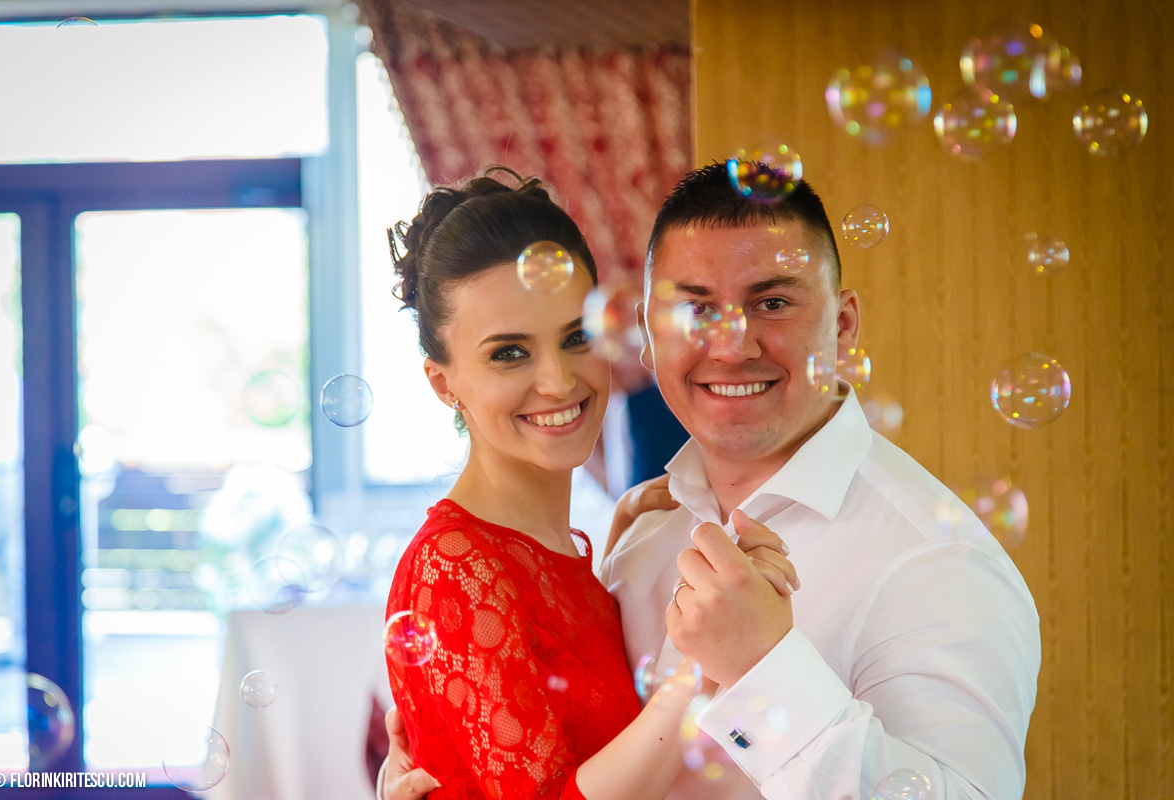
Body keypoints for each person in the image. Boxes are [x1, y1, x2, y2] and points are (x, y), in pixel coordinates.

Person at [380, 164, 1041, 799]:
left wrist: (762, 666)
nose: (731, 345)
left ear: (842, 325)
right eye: (694, 309)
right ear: (648, 334)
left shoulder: (935, 560)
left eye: (772, 303)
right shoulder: (643, 540)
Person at [381, 168, 800, 800]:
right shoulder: (455, 568)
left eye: (576, 338)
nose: (558, 382)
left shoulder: (561, 549)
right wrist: (702, 663)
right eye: (508, 353)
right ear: (444, 384)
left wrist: (617, 548)